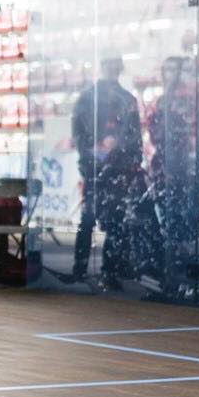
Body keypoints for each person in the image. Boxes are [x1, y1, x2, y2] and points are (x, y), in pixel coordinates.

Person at [70, 55, 142, 284]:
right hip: (96, 166)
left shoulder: (126, 99)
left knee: (115, 219)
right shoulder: (88, 97)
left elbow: (134, 135)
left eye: (115, 65)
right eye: (109, 64)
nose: (112, 69)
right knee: (90, 218)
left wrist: (131, 159)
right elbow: (79, 131)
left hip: (115, 167)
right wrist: (87, 156)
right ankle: (83, 269)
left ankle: (108, 269)